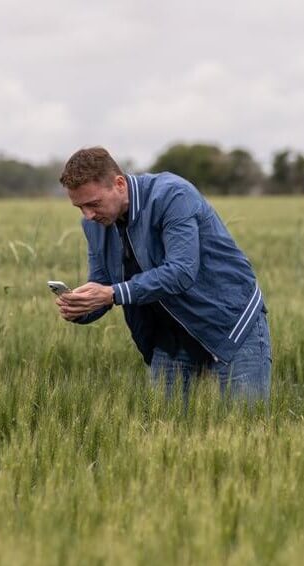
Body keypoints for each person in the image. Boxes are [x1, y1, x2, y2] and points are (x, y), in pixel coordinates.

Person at [55, 147, 270, 402]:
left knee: (245, 430)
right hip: (170, 338)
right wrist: (81, 306)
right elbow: (104, 283)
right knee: (166, 431)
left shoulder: (172, 195)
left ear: (119, 184)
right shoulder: (95, 224)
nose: (88, 215)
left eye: (93, 204)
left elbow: (181, 271)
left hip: (229, 325)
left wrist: (112, 293)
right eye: (80, 207)